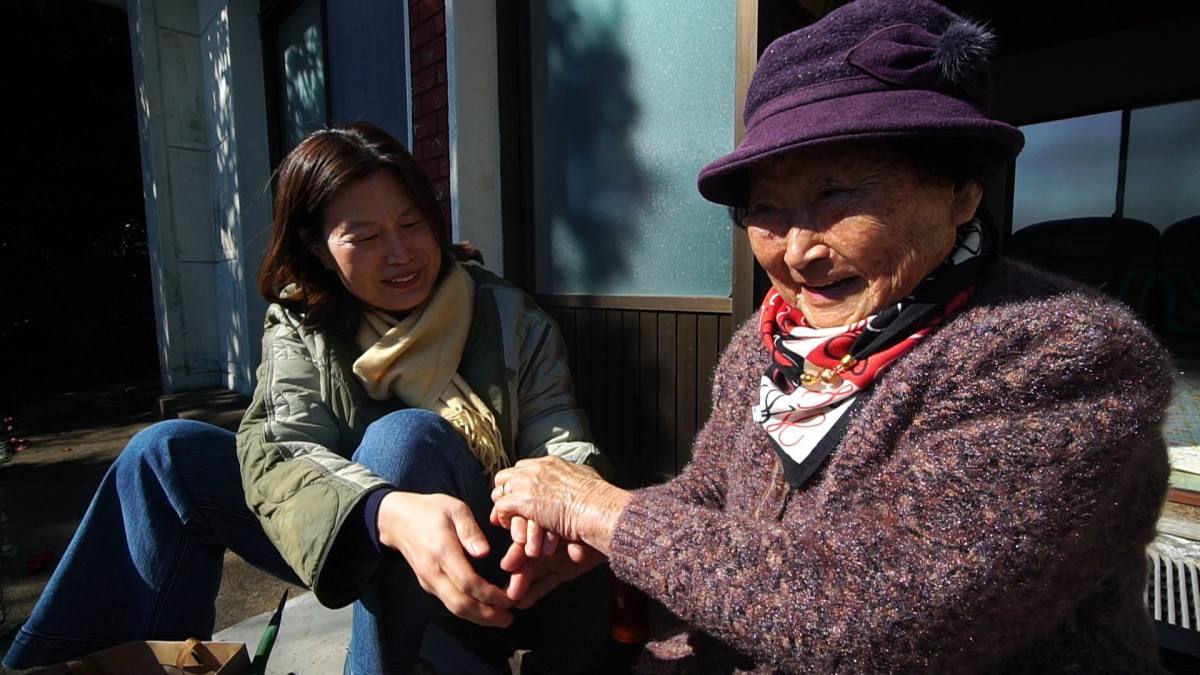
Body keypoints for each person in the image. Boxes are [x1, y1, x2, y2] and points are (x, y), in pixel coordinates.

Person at [489, 1, 1171, 671]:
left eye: (835, 194)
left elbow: (884, 614)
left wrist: (608, 512)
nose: (798, 250)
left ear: (959, 192)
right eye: (767, 210)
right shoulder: (771, 342)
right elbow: (711, 491)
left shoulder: (1060, 353)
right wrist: (594, 532)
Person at [4, 122, 609, 673]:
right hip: (353, 530)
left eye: (413, 223)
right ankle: (54, 664)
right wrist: (383, 512)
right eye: (364, 236)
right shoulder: (301, 319)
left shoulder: (506, 317)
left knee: (404, 438)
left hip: (486, 549)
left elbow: (559, 440)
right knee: (165, 454)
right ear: (318, 246)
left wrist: (561, 510)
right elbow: (282, 446)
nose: (401, 254)